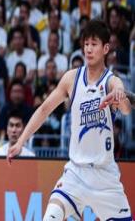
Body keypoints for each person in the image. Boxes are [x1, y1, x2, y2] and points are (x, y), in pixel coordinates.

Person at [7, 19, 132, 220]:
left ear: (105, 48)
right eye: (86, 44)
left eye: (94, 44)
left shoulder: (111, 81)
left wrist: (120, 95)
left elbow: (125, 109)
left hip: (105, 178)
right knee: (51, 216)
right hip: (76, 174)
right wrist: (21, 141)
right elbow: (44, 110)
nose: (88, 49)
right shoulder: (71, 79)